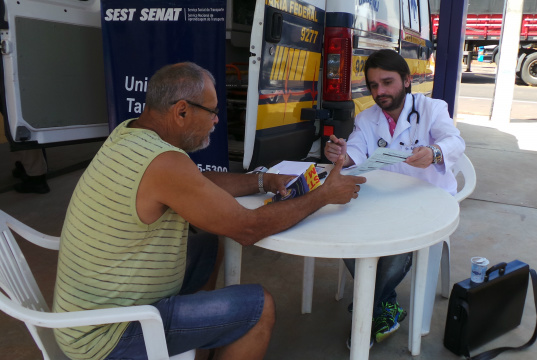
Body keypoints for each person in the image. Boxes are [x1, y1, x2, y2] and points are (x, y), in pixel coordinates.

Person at [52, 62, 366, 360]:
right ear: (182, 111)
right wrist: (324, 195)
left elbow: (197, 182)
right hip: (109, 338)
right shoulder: (163, 163)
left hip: (88, 315)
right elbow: (248, 229)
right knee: (259, 307)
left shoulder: (130, 134)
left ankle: (197, 346)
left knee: (207, 245)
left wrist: (261, 181)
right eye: (213, 111)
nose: (217, 120)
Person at [324, 49, 465, 347]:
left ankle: (366, 309)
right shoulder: (367, 117)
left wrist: (434, 152)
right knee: (347, 232)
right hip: (385, 198)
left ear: (407, 80)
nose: (380, 92)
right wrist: (342, 155)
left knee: (400, 247)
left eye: (387, 82)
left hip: (428, 199)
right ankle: (385, 306)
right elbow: (358, 152)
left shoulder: (432, 108)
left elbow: (454, 140)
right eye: (374, 85)